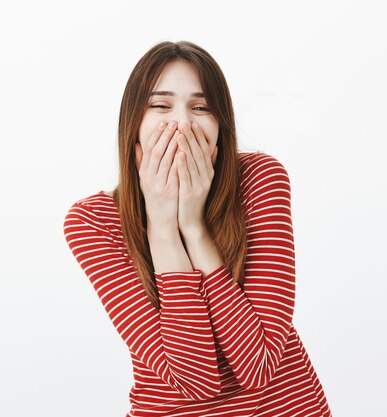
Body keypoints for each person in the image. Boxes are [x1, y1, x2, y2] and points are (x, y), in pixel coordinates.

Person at [63, 40, 332, 417]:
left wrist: (193, 226)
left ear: (220, 126)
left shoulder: (260, 179)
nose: (183, 124)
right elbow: (195, 381)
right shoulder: (93, 222)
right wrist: (161, 228)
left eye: (201, 107)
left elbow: (259, 366)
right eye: (160, 105)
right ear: (133, 126)